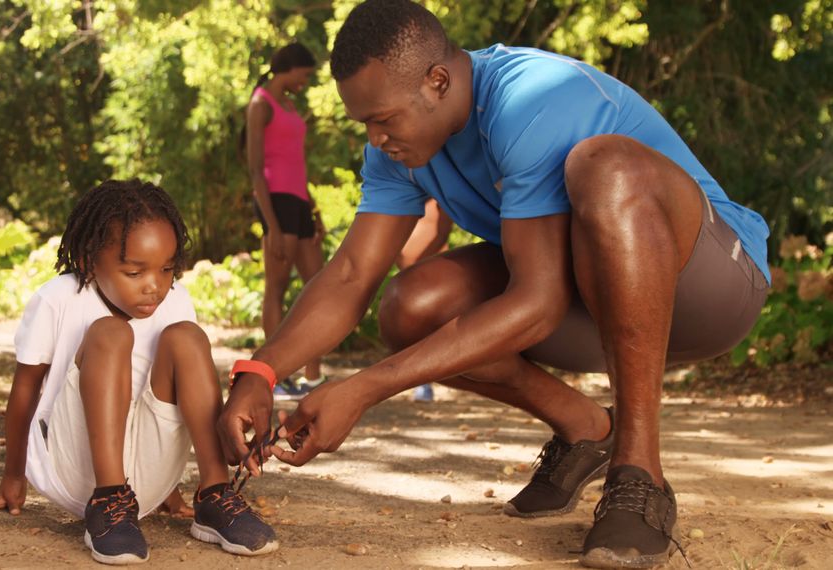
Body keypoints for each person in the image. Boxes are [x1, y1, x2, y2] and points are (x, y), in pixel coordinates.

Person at [217, 1, 770, 568]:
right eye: (365, 124)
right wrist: (260, 371)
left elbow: (537, 304)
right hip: (596, 307)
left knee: (605, 167)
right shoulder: (398, 150)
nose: (376, 138)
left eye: (384, 119)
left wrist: (360, 389)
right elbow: (353, 273)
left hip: (710, 286)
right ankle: (586, 430)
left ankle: (639, 473)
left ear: (438, 82)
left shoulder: (531, 97)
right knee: (410, 307)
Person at [0, 180, 277, 564]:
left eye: (166, 269)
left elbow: (172, 401)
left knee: (188, 337)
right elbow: (26, 389)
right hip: (75, 466)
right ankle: (109, 498)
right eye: (135, 273)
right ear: (88, 260)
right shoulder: (58, 299)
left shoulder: (176, 298)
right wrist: (14, 476)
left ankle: (214, 495)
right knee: (111, 332)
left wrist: (165, 487)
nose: (155, 287)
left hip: (145, 476)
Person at [245, 43, 327, 399]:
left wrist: (315, 209)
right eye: (305, 75)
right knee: (276, 289)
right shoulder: (260, 104)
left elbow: (297, 163)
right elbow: (255, 170)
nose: (305, 82)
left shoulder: (290, 105)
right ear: (290, 69)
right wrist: (273, 226)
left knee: (318, 286)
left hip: (299, 201)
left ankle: (313, 374)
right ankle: (273, 376)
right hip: (275, 203)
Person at [396, 198, 454, 402]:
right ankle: (420, 380)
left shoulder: (440, 195)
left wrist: (420, 262)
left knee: (431, 324)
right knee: (412, 324)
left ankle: (426, 379)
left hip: (431, 268)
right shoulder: (406, 191)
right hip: (409, 272)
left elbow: (442, 232)